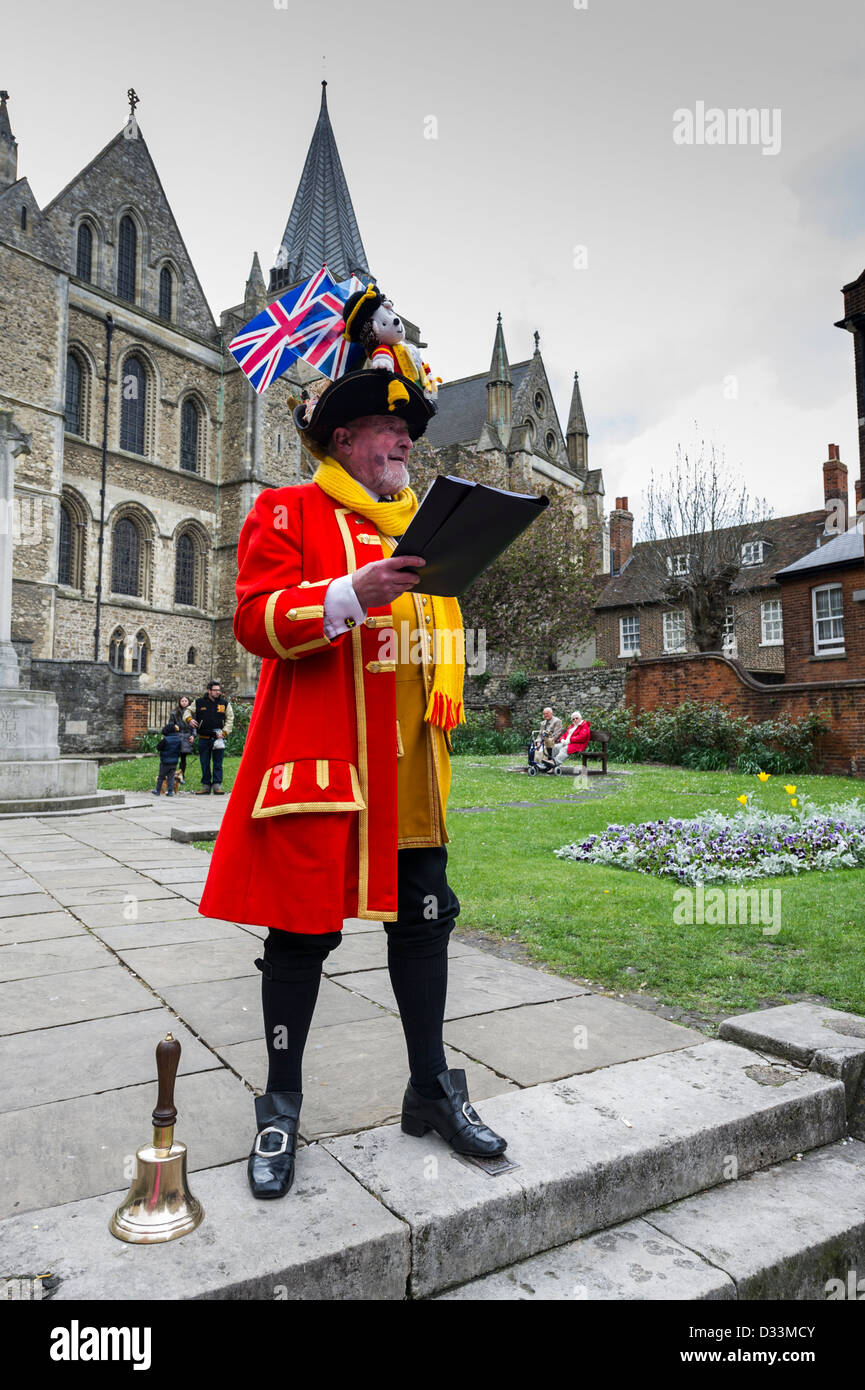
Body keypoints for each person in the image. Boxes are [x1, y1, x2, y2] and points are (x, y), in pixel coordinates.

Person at [198, 368, 507, 1201]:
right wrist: (344, 595)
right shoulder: (286, 511)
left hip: (412, 768)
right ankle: (281, 1102)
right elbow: (253, 622)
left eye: (409, 431)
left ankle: (430, 1090)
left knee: (426, 924)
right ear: (342, 440)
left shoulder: (425, 527)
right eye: (387, 428)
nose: (405, 440)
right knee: (299, 939)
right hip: (327, 766)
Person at [193, 681, 234, 795]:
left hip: (218, 739)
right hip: (203, 738)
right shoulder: (199, 702)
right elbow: (187, 711)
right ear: (209, 691)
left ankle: (217, 785)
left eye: (219, 690)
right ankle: (205, 786)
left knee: (218, 763)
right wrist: (189, 719)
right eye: (215, 690)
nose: (218, 692)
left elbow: (230, 719)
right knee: (204, 763)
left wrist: (224, 732)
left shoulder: (224, 703)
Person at [170, 695, 196, 786]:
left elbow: (195, 726)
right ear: (179, 702)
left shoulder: (192, 713)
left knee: (183, 758)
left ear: (188, 702)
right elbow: (171, 725)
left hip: (187, 736)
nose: (184, 702)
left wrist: (193, 735)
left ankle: (182, 776)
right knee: (174, 758)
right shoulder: (174, 713)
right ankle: (172, 775)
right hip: (177, 736)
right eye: (182, 701)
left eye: (186, 701)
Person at [152, 722, 182, 797]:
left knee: (161, 777)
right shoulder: (178, 739)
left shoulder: (165, 740)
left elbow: (158, 747)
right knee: (171, 777)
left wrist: (161, 740)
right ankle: (170, 791)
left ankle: (157, 790)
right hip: (174, 762)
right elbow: (180, 750)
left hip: (165, 762)